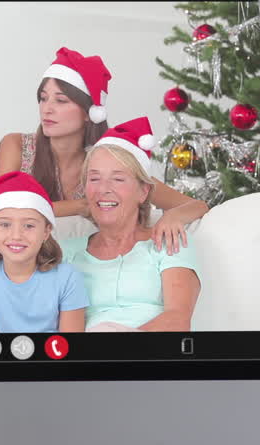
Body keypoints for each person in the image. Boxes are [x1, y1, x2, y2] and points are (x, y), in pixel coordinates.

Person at [58, 117, 210, 332]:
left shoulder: (169, 241)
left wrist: (174, 215)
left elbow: (177, 320)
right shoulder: (67, 252)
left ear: (144, 191)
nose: (103, 189)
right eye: (94, 179)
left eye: (118, 179)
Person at [0, 172, 88, 333]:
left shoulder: (68, 277)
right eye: (5, 224)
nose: (16, 235)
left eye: (29, 226)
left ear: (46, 231)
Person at [0, 47, 111, 219]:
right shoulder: (17, 145)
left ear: (89, 112)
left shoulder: (105, 160)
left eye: (61, 100)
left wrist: (167, 215)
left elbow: (148, 189)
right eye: (43, 98)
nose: (46, 109)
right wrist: (82, 205)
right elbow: (1, 207)